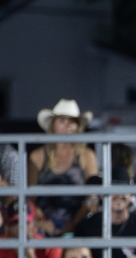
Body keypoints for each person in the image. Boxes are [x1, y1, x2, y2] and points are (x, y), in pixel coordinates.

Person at [28, 99, 99, 234]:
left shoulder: (86, 155)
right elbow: (30, 199)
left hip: (79, 225)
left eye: (72, 122)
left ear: (78, 127)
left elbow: (92, 198)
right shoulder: (37, 156)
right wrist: (41, 221)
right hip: (43, 226)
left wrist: (71, 226)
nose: (67, 126)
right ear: (52, 125)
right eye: (61, 121)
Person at [72, 168, 136, 258]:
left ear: (130, 195)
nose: (119, 194)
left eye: (123, 189)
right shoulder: (87, 227)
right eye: (113, 189)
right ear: (101, 194)